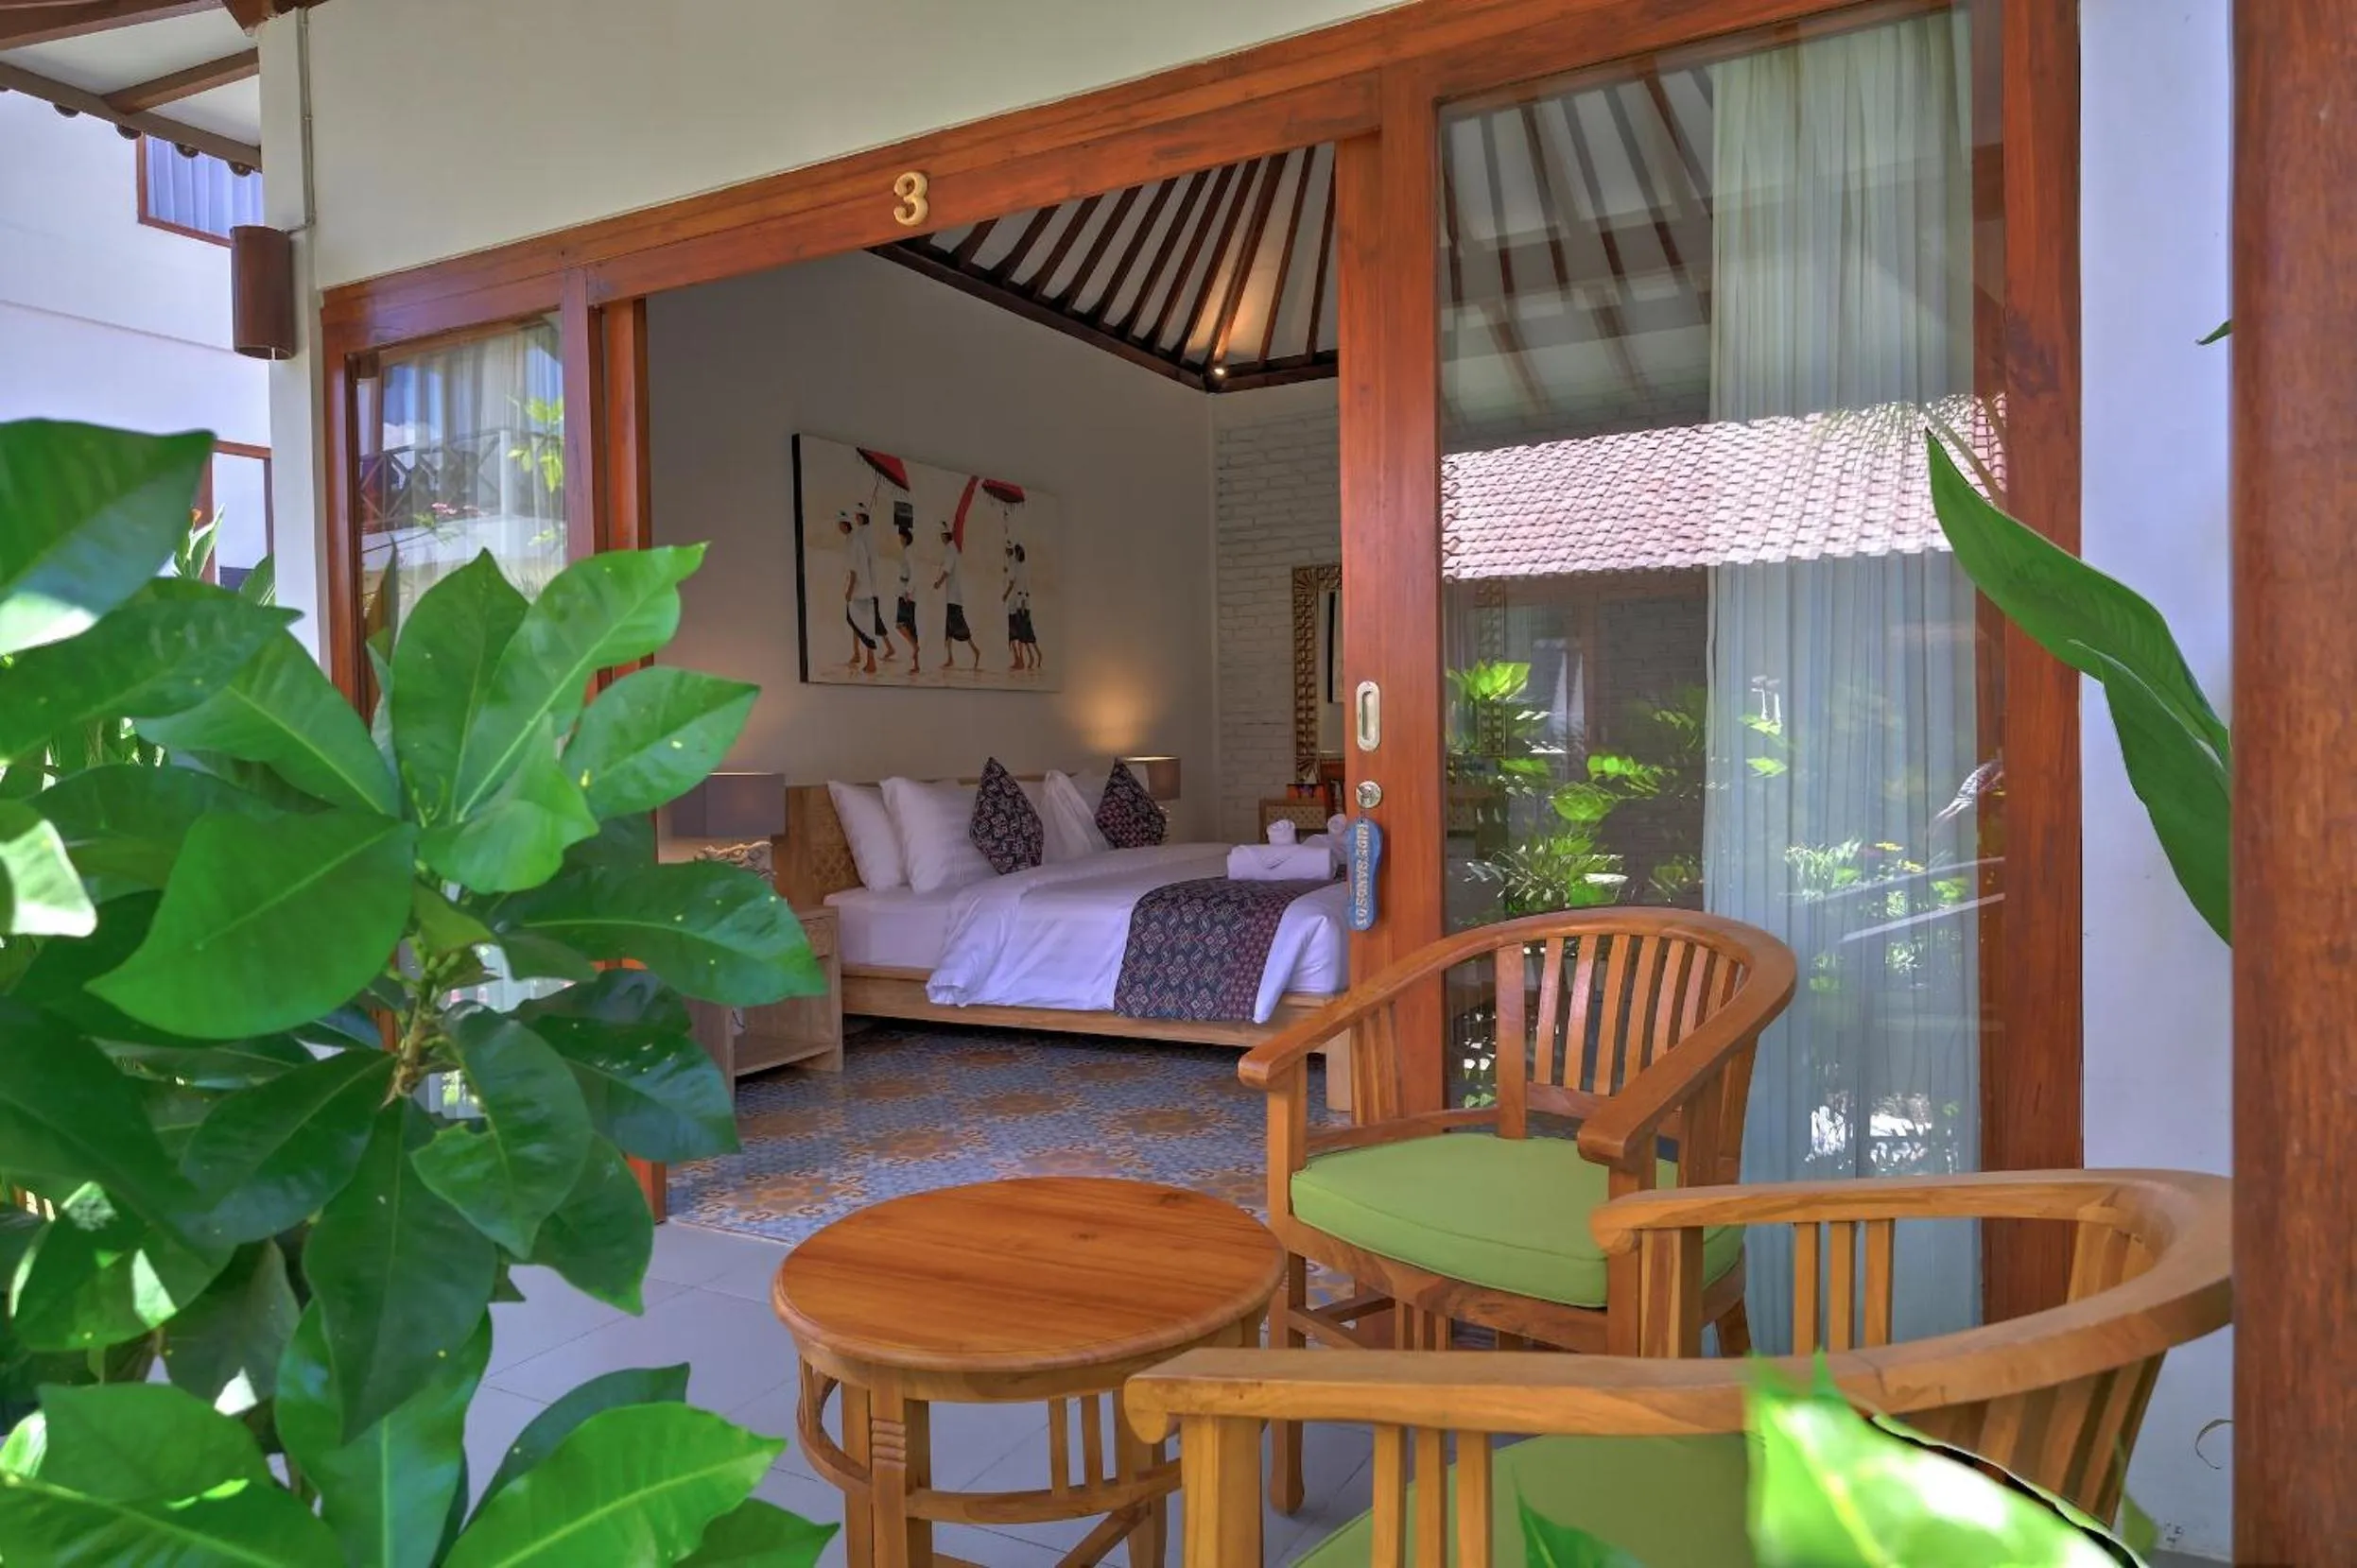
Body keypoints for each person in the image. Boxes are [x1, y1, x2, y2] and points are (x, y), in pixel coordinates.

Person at [840, 508, 885, 676]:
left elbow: (854, 570)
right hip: (866, 590)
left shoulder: (856, 540)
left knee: (861, 624)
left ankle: (870, 661)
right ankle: (860, 655)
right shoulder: (859, 537)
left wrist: (849, 591)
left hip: (861, 592)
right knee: (860, 624)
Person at [932, 520, 981, 671]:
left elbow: (947, 569)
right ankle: (950, 658)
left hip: (953, 598)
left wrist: (938, 583)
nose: (940, 539)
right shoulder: (953, 549)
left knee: (959, 627)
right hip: (953, 597)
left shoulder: (949, 549)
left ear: (944, 536)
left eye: (941, 536)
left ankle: (975, 650)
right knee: (949, 628)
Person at [890, 515, 922, 670]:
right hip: (905, 590)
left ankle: (915, 647)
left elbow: (914, 574)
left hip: (907, 593)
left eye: (901, 537)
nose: (900, 539)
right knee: (910, 626)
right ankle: (916, 664)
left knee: (901, 624)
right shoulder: (907, 551)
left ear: (906, 538)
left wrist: (908, 592)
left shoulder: (909, 553)